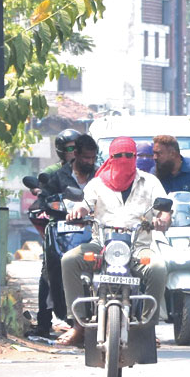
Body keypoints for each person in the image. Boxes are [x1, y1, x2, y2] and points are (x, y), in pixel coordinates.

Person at [57, 137, 172, 348]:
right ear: (110, 158)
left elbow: (164, 210)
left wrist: (163, 219)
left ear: (135, 157)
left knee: (158, 268)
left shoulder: (150, 181)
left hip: (138, 247)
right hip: (101, 246)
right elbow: (84, 204)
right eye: (118, 156)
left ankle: (147, 327)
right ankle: (78, 324)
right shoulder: (97, 183)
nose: (124, 159)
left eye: (129, 155)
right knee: (69, 260)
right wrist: (79, 210)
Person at [34, 133, 98, 337]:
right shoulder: (58, 176)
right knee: (48, 268)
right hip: (64, 231)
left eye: (92, 158)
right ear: (76, 155)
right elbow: (43, 200)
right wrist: (54, 208)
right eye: (85, 157)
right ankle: (43, 322)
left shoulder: (100, 177)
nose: (89, 162)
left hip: (94, 231)